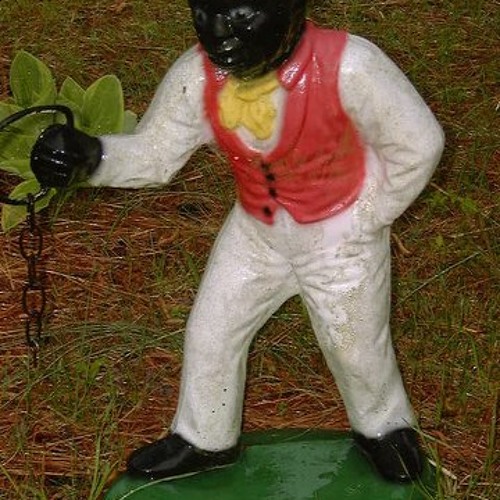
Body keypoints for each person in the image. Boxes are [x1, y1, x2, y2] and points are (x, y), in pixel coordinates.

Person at [31, 0, 445, 484]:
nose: (219, 34)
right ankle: (204, 436)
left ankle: (383, 428)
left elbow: (418, 142)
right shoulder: (197, 76)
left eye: (242, 18)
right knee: (212, 331)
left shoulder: (351, 66)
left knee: (353, 343)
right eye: (203, 16)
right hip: (256, 232)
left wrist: (369, 214)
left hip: (339, 237)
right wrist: (92, 157)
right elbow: (157, 154)